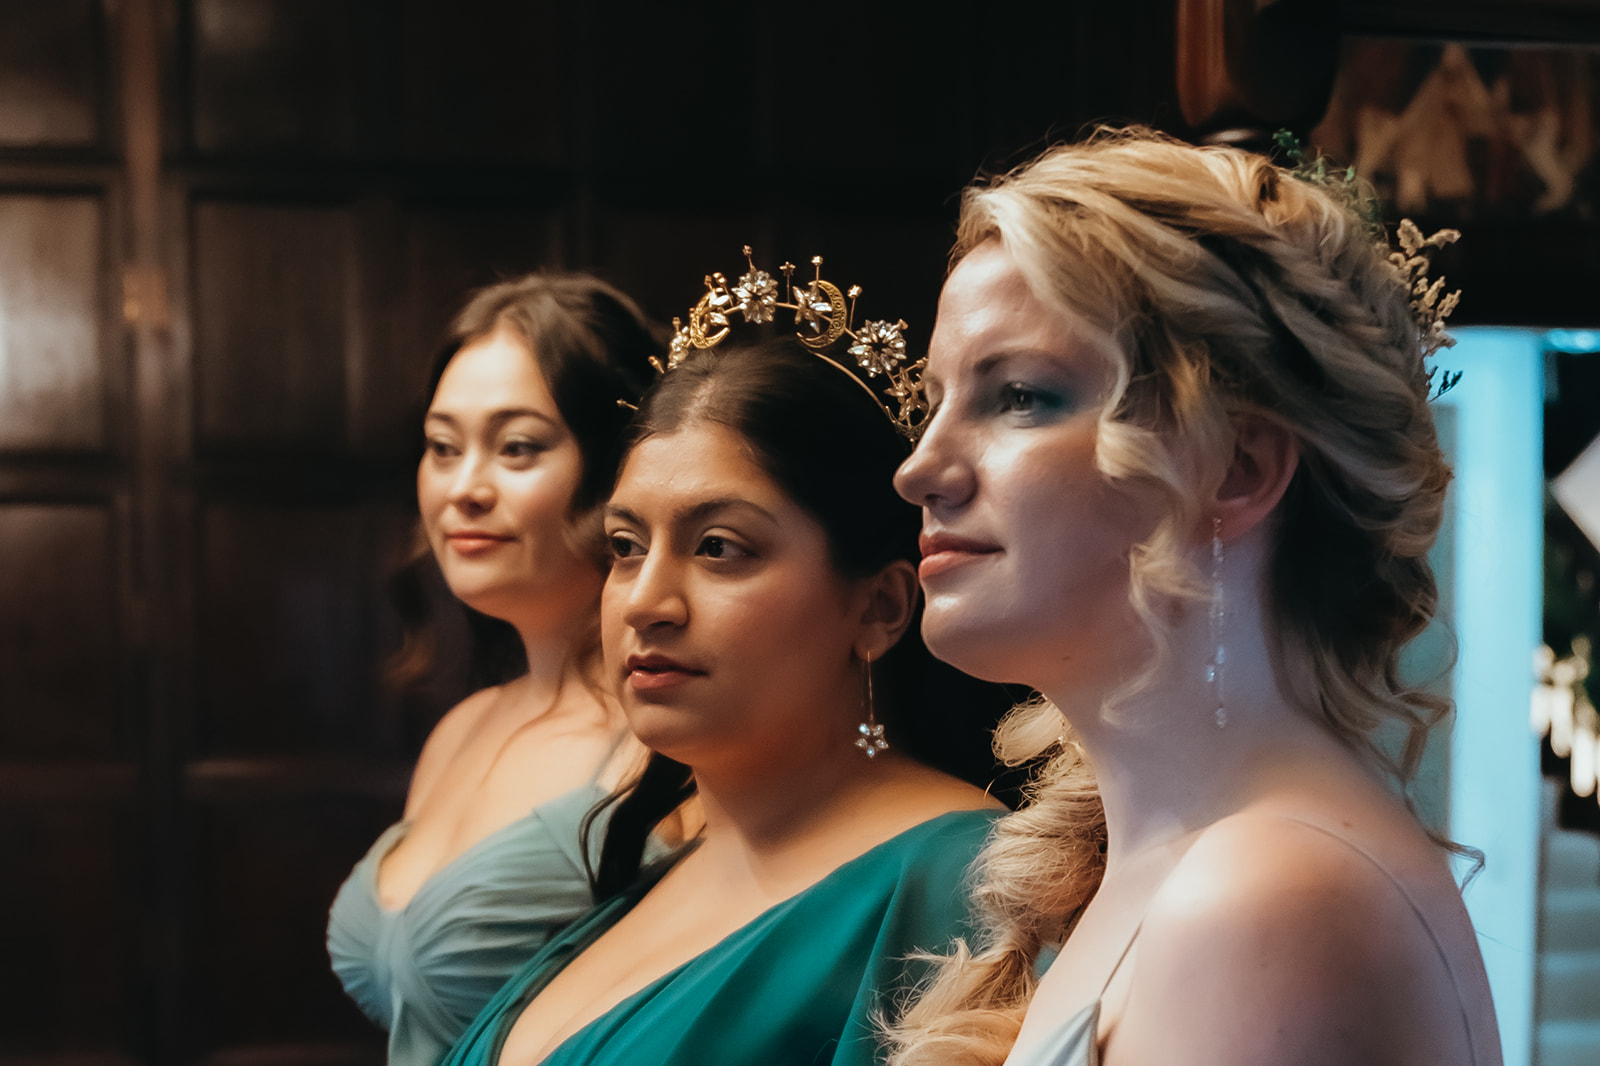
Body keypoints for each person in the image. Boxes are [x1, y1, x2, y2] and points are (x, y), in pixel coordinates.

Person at [886, 127, 1503, 1066]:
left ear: (1237, 467)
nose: (921, 469)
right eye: (930, 401)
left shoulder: (1262, 896)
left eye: (1017, 396)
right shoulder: (1178, 865)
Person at [439, 307, 1005, 1066]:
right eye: (625, 546)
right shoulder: (663, 855)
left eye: (718, 548)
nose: (645, 601)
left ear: (879, 607)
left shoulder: (960, 885)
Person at [327, 274, 668, 1066]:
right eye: (443, 448)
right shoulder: (461, 730)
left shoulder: (669, 745)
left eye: (517, 447)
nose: (464, 489)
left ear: (619, 467)